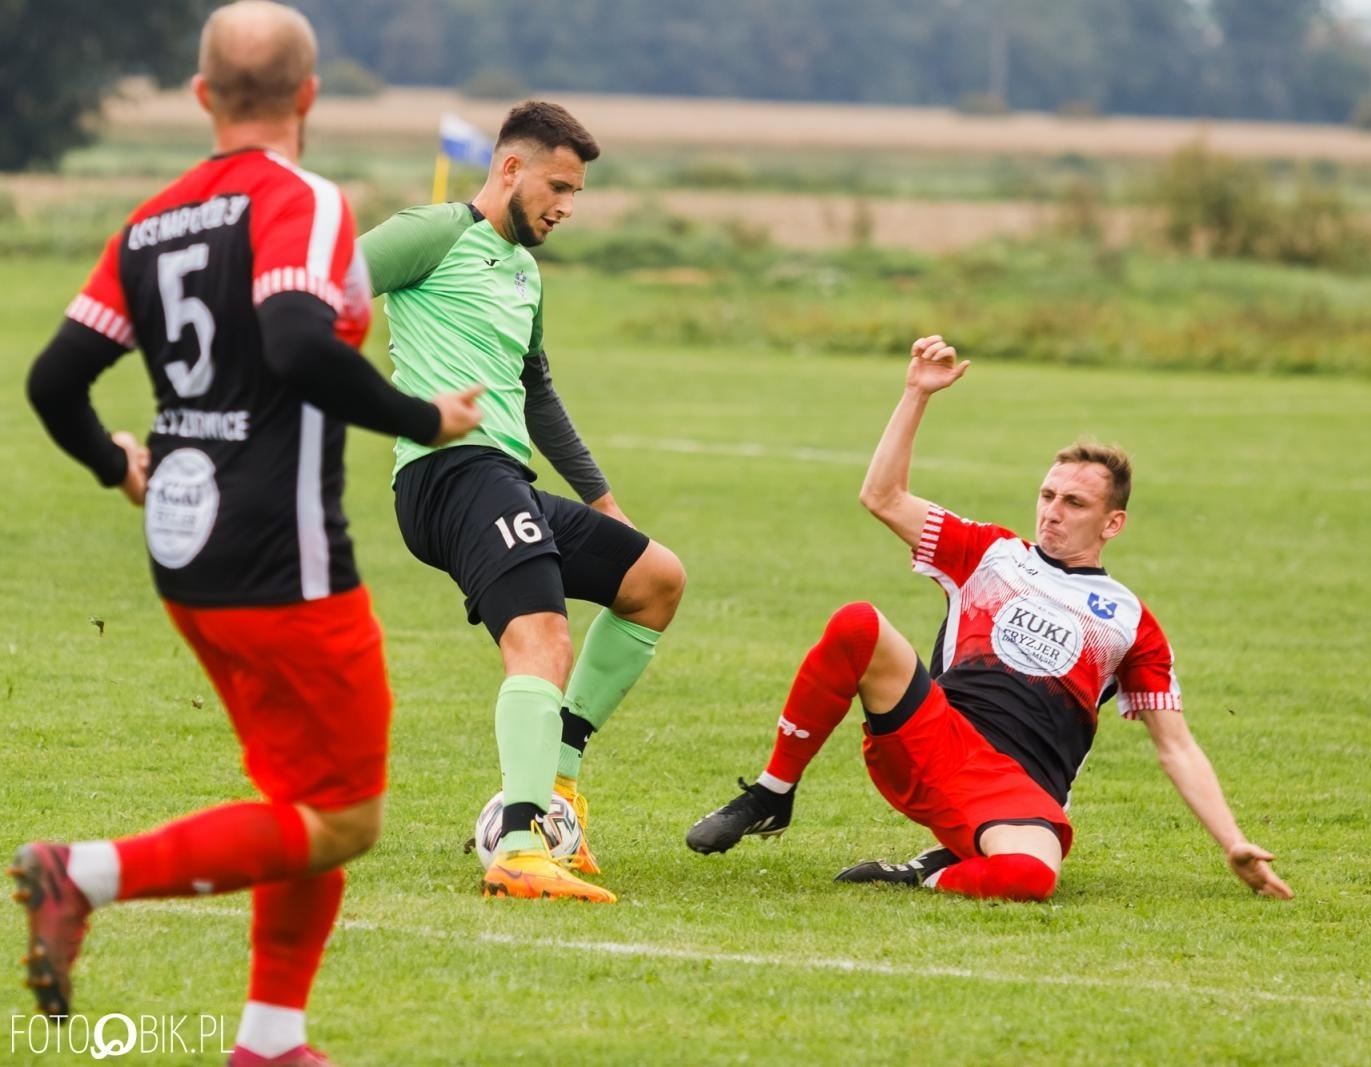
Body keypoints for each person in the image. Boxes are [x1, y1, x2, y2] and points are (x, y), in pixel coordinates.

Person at [12, 4, 483, 1065]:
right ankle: (81, 872)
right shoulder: (303, 200)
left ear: (201, 96)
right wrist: (426, 416)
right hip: (283, 551)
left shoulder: (149, 220)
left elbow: (53, 380)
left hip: (184, 549)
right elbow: (294, 339)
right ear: (309, 96)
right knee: (348, 815)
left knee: (298, 796)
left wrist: (112, 461)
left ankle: (271, 1039)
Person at [686, 335, 1293, 903]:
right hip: (932, 736)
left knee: (1028, 877)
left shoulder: (1130, 621)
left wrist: (1233, 841)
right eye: (1047, 495)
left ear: (1113, 524)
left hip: (1013, 792)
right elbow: (883, 497)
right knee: (858, 623)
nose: (1052, 512)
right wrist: (917, 394)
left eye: (1075, 502)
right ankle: (772, 793)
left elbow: (1176, 745)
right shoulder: (991, 553)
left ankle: (931, 870)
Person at [360, 101, 686, 904]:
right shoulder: (432, 231)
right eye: (559, 186)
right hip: (448, 473)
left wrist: (606, 504)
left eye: (575, 192)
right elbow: (318, 292)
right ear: (510, 168)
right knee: (540, 639)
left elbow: (538, 394)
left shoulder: (525, 272)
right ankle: (517, 844)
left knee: (656, 579)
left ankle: (560, 782)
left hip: (504, 476)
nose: (566, 206)